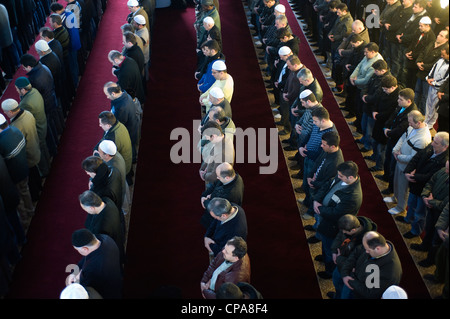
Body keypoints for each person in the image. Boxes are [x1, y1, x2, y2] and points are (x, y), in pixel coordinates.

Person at [310, 161, 363, 278]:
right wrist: (317, 199)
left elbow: (336, 214)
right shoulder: (342, 177)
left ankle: (329, 271)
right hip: (325, 219)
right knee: (324, 243)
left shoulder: (353, 196)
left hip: (333, 226)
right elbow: (328, 184)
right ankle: (324, 258)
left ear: (350, 177)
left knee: (330, 249)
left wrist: (320, 208)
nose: (337, 177)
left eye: (340, 176)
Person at [401, 131, 449, 238]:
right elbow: (416, 158)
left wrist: (413, 176)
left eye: (436, 143)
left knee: (419, 214)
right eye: (433, 140)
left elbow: (430, 177)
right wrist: (407, 171)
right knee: (411, 204)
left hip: (424, 191)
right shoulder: (431, 146)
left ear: (444, 146)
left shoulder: (444, 161)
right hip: (415, 185)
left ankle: (415, 231)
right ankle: (407, 219)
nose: (432, 144)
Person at [385, 110, 431, 215]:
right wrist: (395, 150)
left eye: (410, 122)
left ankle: (400, 207)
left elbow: (413, 158)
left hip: (406, 166)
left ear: (418, 122)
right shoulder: (412, 127)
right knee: (396, 181)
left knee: (403, 188)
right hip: (399, 160)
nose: (409, 124)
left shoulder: (423, 138)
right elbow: (403, 137)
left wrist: (399, 156)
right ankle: (395, 197)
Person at [340, 231, 403, 299]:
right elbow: (356, 252)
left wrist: (350, 279)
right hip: (351, 280)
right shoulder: (374, 245)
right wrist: (345, 272)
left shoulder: (390, 273)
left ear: (378, 249)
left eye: (368, 250)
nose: (366, 251)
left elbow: (370, 293)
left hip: (357, 293)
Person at [1, 99, 42, 202]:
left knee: (29, 185)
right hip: (34, 150)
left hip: (27, 158)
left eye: (5, 111)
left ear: (10, 112)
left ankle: (34, 200)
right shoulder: (27, 114)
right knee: (35, 176)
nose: (5, 114)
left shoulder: (16, 126)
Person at [328, 214, 378, 299]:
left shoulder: (367, 243)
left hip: (351, 275)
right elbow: (340, 236)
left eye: (345, 231)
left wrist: (339, 258)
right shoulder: (349, 225)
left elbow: (355, 265)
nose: (343, 232)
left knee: (346, 295)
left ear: (353, 230)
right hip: (341, 264)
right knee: (337, 281)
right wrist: (334, 250)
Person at [378, 88, 418, 192]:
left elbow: (401, 129)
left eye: (400, 99)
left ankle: (391, 188)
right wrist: (385, 127)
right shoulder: (401, 106)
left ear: (408, 101)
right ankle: (385, 177)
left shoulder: (412, 113)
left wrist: (388, 132)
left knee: (393, 165)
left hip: (398, 141)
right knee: (387, 159)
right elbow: (392, 116)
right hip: (391, 138)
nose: (398, 101)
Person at [410, 160, 448, 268]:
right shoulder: (443, 171)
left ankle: (430, 260)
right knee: (429, 228)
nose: (446, 170)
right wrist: (425, 195)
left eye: (448, 169)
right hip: (432, 209)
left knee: (436, 239)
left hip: (442, 215)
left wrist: (430, 201)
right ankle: (424, 246)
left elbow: (446, 205)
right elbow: (430, 182)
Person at [0, 114, 34, 229]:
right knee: (25, 191)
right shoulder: (15, 129)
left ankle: (25, 221)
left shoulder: (1, 141)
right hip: (24, 168)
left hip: (14, 176)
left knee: (19, 199)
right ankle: (31, 210)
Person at [13, 77, 52, 177]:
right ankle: (49, 164)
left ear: (23, 89)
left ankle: (45, 171)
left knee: (40, 152)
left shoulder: (25, 103)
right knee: (44, 149)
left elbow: (24, 118)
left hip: (38, 130)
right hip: (43, 124)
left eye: (17, 89)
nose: (16, 91)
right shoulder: (34, 91)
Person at [69, 228, 123, 299]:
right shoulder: (104, 238)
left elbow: (85, 291)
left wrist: (77, 281)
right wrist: (75, 272)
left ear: (85, 249)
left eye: (78, 250)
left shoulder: (93, 270)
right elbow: (86, 258)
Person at [302, 131, 344, 216]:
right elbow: (318, 162)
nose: (321, 146)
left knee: (315, 198)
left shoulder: (335, 163)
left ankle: (310, 212)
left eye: (324, 144)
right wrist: (310, 175)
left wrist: (313, 183)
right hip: (315, 180)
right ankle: (306, 202)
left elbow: (326, 183)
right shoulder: (327, 149)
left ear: (332, 146)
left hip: (319, 187)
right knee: (309, 193)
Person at [79, 190, 126, 265]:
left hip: (113, 251)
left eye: (84, 209)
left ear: (91, 208)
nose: (85, 211)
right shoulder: (106, 201)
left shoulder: (101, 227)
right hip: (118, 235)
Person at [369, 75, 401, 172]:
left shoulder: (397, 97)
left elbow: (390, 113)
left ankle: (379, 166)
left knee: (381, 148)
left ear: (393, 87)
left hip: (385, 124)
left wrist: (378, 116)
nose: (384, 91)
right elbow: (377, 100)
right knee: (374, 142)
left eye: (386, 89)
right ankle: (374, 157)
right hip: (378, 121)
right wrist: (374, 110)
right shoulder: (384, 90)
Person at [103, 82, 139, 164]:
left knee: (129, 153)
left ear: (113, 93)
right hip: (133, 128)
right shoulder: (125, 95)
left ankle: (132, 162)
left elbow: (117, 125)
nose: (107, 97)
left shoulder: (121, 108)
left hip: (128, 133)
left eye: (107, 94)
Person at [201, 162, 244, 228]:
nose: (217, 178)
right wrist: (204, 195)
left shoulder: (230, 195)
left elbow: (215, 208)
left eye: (218, 176)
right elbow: (216, 184)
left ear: (227, 177)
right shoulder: (233, 175)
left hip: (217, 217)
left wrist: (205, 200)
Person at [96, 111, 133, 185]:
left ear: (108, 126)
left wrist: (97, 154)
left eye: (101, 124)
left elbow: (107, 157)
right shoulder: (118, 124)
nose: (99, 125)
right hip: (128, 160)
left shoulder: (112, 138)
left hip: (123, 167)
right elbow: (105, 137)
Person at [94, 140, 130, 215]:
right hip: (123, 179)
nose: (98, 152)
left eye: (99, 151)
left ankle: (125, 212)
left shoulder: (112, 167)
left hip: (118, 187)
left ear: (106, 155)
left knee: (122, 203)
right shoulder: (114, 154)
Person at [199, 121, 235, 186]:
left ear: (214, 136)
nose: (208, 140)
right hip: (210, 169)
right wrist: (203, 168)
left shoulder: (221, 154)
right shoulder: (224, 138)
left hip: (215, 182)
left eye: (208, 138)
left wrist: (203, 175)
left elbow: (214, 176)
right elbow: (211, 154)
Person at [424, 45, 449, 130]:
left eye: (444, 55)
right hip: (432, 85)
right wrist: (429, 78)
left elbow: (446, 79)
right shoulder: (440, 60)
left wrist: (435, 83)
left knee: (434, 107)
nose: (441, 56)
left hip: (438, 88)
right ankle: (426, 120)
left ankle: (431, 123)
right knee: (428, 103)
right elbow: (433, 69)